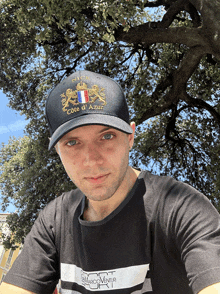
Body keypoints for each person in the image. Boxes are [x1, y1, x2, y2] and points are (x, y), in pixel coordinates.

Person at [0, 70, 220, 294]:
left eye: (106, 136)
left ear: (130, 136)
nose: (92, 160)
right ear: (57, 149)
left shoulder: (182, 208)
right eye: (72, 143)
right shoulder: (55, 220)